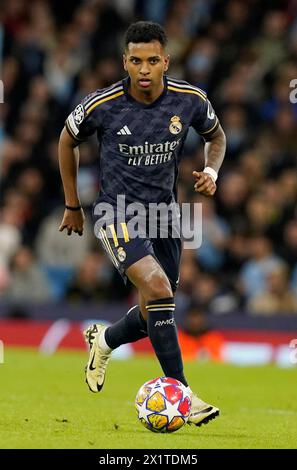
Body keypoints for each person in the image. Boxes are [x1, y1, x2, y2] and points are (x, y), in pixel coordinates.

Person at [58, 21, 226, 427]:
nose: (145, 69)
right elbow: (67, 139)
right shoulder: (103, 104)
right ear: (125, 62)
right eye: (136, 61)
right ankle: (184, 394)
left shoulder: (190, 99)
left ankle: (105, 339)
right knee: (157, 286)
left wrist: (211, 172)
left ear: (166, 61)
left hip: (165, 216)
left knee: (157, 310)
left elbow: (216, 137)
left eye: (153, 60)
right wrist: (72, 204)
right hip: (116, 213)